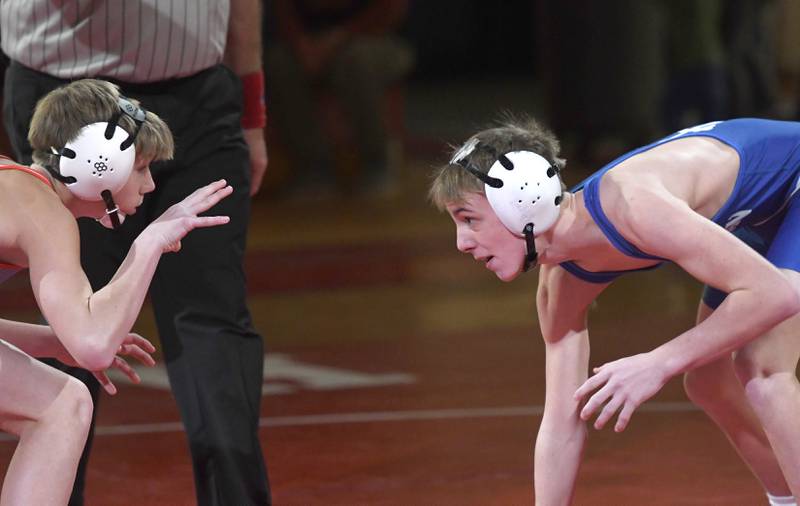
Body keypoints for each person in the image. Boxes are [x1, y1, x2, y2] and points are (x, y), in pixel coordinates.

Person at [429, 116, 800, 505]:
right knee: (708, 381)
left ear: (522, 199)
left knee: (762, 369)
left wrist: (659, 362)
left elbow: (776, 296)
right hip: (758, 212)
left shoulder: (634, 205)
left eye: (468, 219)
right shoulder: (561, 283)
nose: (461, 243)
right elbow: (561, 422)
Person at [1, 1, 271, 505]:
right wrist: (150, 243)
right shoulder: (46, 218)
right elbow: (95, 348)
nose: (152, 186)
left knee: (58, 400)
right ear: (99, 164)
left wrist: (50, 343)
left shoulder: (23, 196)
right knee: (63, 403)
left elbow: (77, 345)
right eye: (143, 168)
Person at [265, 0, 413, 197]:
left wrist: (339, 38)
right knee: (278, 63)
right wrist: (301, 45)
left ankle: (377, 162)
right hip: (308, 42)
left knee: (356, 61)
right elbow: (283, 13)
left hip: (377, 40)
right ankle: (313, 167)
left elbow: (391, 12)